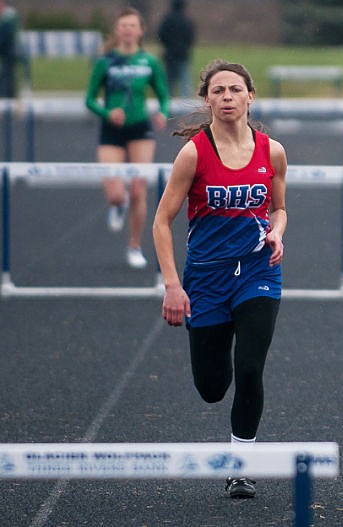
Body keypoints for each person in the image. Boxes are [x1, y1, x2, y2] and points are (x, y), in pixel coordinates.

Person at [153, 59, 287, 499]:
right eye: (218, 91)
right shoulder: (194, 153)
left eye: (235, 89)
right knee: (212, 388)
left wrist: (277, 231)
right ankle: (217, 358)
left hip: (257, 273)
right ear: (207, 99)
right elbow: (162, 221)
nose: (227, 97)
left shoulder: (272, 151)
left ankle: (240, 465)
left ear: (251, 96)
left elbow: (279, 208)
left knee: (250, 367)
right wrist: (173, 284)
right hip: (206, 279)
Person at [85, 7, 170, 269]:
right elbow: (89, 99)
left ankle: (134, 245)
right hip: (111, 129)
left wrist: (163, 113)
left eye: (133, 25)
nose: (128, 30)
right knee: (115, 195)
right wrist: (107, 112)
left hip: (139, 128)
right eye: (123, 25)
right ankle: (117, 205)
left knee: (137, 190)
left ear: (141, 31)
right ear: (117, 30)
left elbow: (163, 95)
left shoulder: (149, 62)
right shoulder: (105, 62)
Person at [158, 0, 196, 98]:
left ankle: (167, 103)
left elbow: (161, 35)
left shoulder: (167, 20)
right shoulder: (187, 20)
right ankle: (186, 105)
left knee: (169, 82)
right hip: (183, 55)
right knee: (185, 82)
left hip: (169, 55)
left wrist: (167, 45)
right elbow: (191, 38)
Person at [0, 0, 19, 98]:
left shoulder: (8, 18)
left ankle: (7, 97)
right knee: (7, 75)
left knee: (7, 76)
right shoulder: (8, 17)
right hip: (8, 50)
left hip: (8, 51)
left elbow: (5, 37)